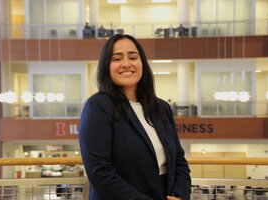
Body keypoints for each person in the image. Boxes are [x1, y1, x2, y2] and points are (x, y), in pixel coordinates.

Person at [79, 34, 191, 200]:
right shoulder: (98, 106)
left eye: (133, 57)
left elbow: (179, 160)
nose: (126, 64)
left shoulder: (161, 107)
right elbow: (99, 171)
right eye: (117, 59)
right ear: (106, 66)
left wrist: (180, 195)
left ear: (142, 63)